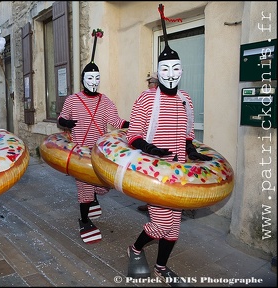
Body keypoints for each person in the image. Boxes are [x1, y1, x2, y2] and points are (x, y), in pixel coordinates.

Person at [125, 5, 212, 285]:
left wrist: (192, 150)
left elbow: (187, 132)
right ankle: (135, 249)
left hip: (179, 172)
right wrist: (152, 150)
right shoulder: (146, 99)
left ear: (182, 71)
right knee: (161, 224)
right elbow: (133, 136)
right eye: (165, 69)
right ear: (158, 72)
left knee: (174, 229)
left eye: (175, 69)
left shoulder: (186, 98)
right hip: (154, 173)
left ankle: (161, 266)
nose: (171, 74)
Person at [58, 28, 129, 244]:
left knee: (103, 185)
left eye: (97, 78)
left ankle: (95, 197)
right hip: (81, 151)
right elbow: (62, 118)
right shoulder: (73, 99)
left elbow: (115, 121)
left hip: (100, 151)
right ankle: (84, 220)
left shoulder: (105, 100)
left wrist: (131, 125)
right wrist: (66, 122)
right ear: (83, 79)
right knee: (84, 188)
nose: (93, 81)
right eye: (90, 77)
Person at [137, 72, 159, 213]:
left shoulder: (144, 96)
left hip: (148, 143)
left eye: (150, 83)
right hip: (166, 143)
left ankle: (153, 206)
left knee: (150, 175)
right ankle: (153, 204)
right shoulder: (172, 97)